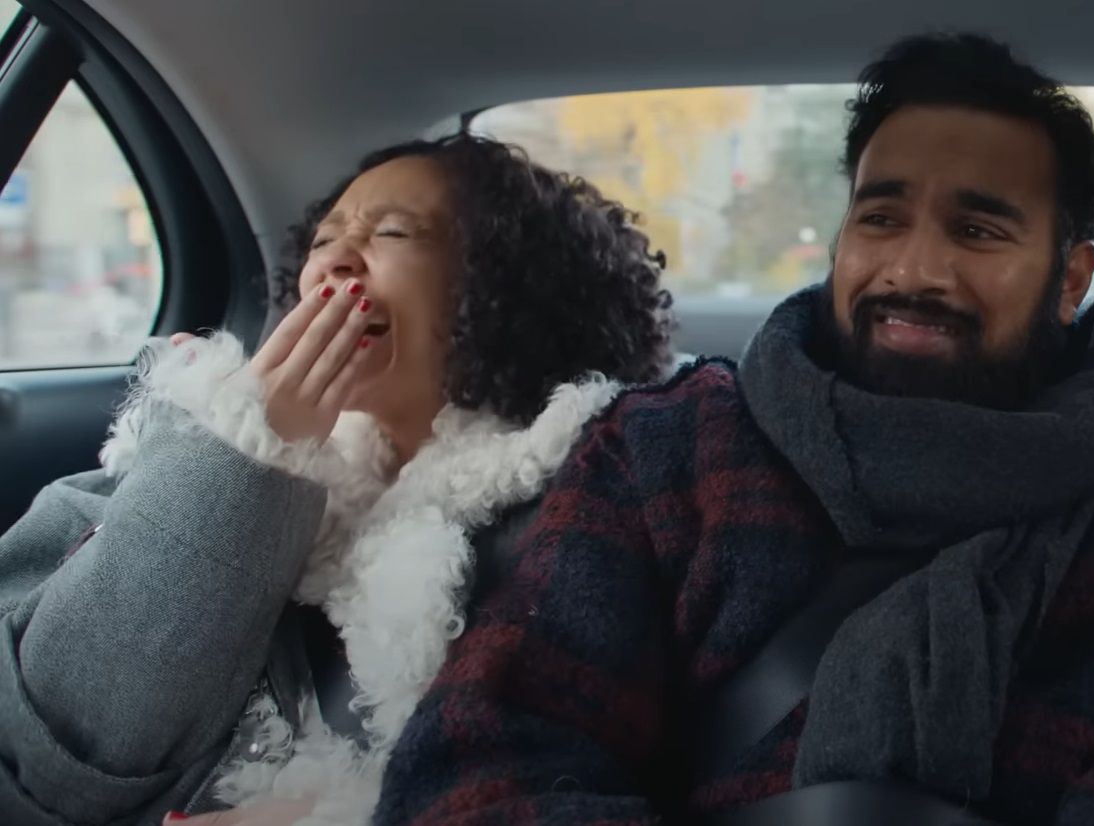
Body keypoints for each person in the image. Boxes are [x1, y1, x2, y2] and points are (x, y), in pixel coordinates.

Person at [376, 33, 1094, 826]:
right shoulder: (665, 449)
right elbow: (481, 765)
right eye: (880, 218)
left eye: (979, 231)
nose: (914, 269)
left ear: (1069, 279)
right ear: (840, 240)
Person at [0, 133, 676, 826]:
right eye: (323, 241)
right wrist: (237, 454)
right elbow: (45, 762)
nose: (337, 261)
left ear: (505, 284)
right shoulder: (177, 449)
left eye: (391, 231)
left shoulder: (601, 495)